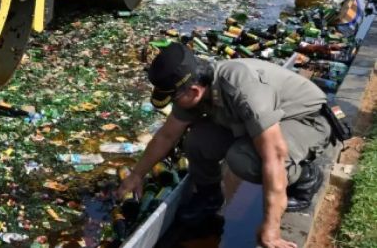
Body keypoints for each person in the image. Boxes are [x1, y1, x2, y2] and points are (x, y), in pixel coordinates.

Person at [118, 43, 332, 248]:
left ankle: (306, 177)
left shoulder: (243, 90)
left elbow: (274, 157)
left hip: (304, 120)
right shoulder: (196, 85)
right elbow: (167, 136)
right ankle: (209, 196)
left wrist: (271, 226)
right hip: (254, 125)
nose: (174, 104)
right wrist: (136, 175)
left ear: (194, 91)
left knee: (243, 159)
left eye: (174, 98)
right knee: (196, 141)